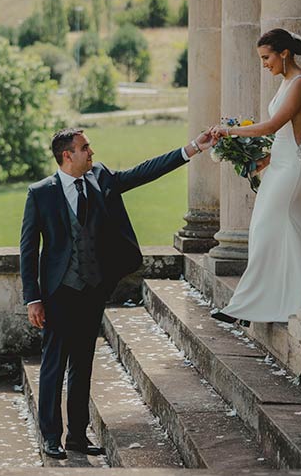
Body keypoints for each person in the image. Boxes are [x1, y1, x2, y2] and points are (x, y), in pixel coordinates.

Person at [20, 126, 216, 459]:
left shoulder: (101, 178)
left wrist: (192, 149)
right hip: (59, 293)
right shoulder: (41, 193)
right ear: (67, 155)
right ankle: (51, 436)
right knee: (54, 365)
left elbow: (144, 172)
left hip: (92, 290)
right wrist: (33, 298)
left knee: (82, 365)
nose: (91, 152)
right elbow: (28, 248)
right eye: (85, 148)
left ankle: (77, 437)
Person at [211, 28, 301, 325]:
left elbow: (271, 126)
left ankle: (245, 306)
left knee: (265, 227)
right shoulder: (285, 83)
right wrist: (263, 159)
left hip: (294, 165)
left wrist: (228, 131)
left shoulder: (300, 83)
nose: (264, 63)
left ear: (284, 54)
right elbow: (280, 133)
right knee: (291, 226)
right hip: (280, 162)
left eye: (267, 57)